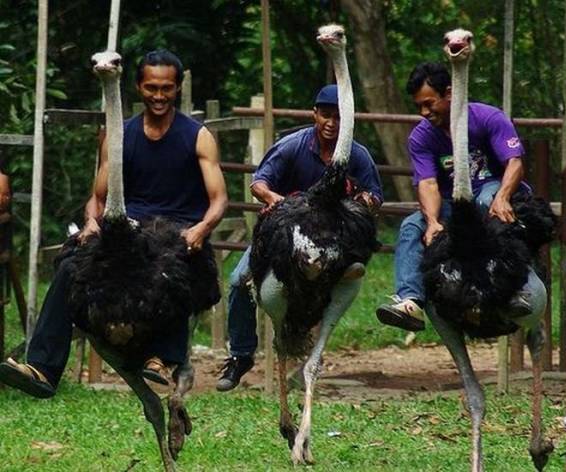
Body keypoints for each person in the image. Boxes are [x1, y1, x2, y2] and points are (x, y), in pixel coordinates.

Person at [0, 50, 228, 397]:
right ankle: (43, 369)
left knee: (178, 267)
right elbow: (98, 197)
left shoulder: (198, 137)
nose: (159, 95)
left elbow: (219, 200)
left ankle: (163, 359)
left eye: (166, 88)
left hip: (177, 230)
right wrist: (91, 222)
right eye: (152, 87)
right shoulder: (120, 136)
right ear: (139, 87)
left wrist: (201, 229)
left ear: (177, 88)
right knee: (71, 266)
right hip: (128, 227)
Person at [216, 84, 383, 392]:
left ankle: (310, 342)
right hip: (284, 232)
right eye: (325, 115)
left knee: (345, 268)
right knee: (240, 281)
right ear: (314, 115)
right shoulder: (293, 146)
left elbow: (375, 195)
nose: (331, 123)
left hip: (332, 238)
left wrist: (362, 201)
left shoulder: (356, 155)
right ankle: (240, 355)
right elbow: (259, 184)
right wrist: (278, 201)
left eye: (338, 117)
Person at [376, 62, 535, 332]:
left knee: (486, 202)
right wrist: (432, 221)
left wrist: (503, 196)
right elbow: (427, 183)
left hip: (491, 190)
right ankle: (410, 300)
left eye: (429, 103)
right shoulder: (421, 137)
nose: (424, 112)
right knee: (411, 226)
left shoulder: (488, 118)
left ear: (449, 93)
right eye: (419, 107)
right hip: (454, 204)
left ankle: (516, 286)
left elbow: (515, 162)